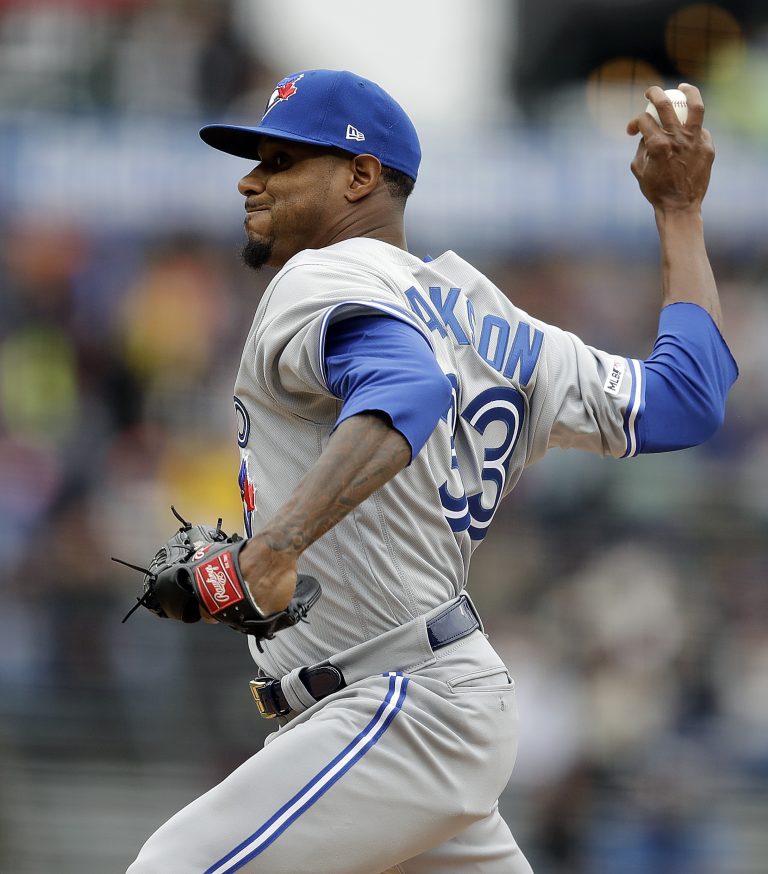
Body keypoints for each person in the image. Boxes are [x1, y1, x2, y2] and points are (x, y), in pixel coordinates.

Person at [127, 69, 737, 873]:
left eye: (280, 162)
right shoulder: (504, 327)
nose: (250, 179)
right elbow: (687, 397)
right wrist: (681, 214)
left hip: (397, 706)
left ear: (359, 175)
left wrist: (269, 551)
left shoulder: (324, 274)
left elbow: (406, 388)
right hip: (424, 704)